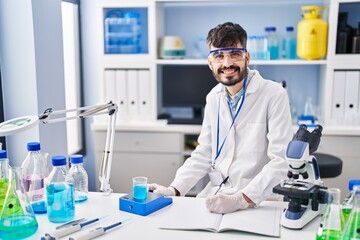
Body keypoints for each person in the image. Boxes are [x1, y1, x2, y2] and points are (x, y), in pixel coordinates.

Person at [149, 22, 293, 214]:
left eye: (234, 54)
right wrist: (174, 189)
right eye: (219, 56)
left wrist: (241, 199)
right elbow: (205, 152)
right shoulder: (213, 97)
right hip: (219, 194)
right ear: (210, 63)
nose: (226, 64)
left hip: (260, 200)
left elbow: (282, 161)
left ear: (246, 58)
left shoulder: (274, 94)